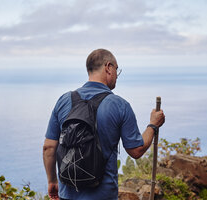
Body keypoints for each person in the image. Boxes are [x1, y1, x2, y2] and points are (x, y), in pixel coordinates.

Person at [43, 48, 165, 200]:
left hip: (67, 193)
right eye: (116, 69)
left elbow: (48, 148)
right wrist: (153, 125)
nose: (116, 76)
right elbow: (137, 150)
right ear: (108, 67)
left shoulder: (64, 100)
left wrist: (52, 181)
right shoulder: (119, 105)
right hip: (103, 195)